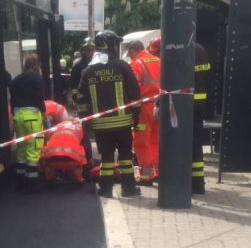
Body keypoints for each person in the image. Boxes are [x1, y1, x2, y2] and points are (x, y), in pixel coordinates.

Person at [78, 30, 141, 198]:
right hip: (123, 122)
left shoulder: (88, 71)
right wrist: (136, 117)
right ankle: (128, 188)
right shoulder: (122, 66)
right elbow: (135, 95)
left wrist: (86, 124)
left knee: (106, 157)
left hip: (101, 126)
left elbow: (81, 100)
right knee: (126, 156)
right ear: (110, 45)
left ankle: (105, 189)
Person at [9, 54, 46, 193]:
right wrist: (44, 113)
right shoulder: (37, 78)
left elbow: (12, 101)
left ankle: (19, 181)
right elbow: (39, 98)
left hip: (18, 116)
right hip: (32, 116)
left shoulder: (16, 80)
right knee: (33, 149)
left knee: (21, 149)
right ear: (37, 65)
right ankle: (32, 182)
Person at [127, 40, 161, 183]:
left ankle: (147, 175)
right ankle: (157, 171)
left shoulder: (136, 64)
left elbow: (133, 89)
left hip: (144, 108)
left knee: (140, 141)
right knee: (155, 139)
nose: (130, 57)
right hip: (160, 106)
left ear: (133, 50)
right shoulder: (158, 60)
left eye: (130, 54)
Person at [40, 119, 87, 185]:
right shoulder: (79, 127)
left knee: (45, 152)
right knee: (80, 149)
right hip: (73, 162)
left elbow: (47, 137)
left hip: (51, 161)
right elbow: (85, 143)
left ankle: (50, 178)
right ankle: (78, 179)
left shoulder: (56, 127)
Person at [192, 42, 211, 194]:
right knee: (196, 145)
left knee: (182, 144)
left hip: (184, 104)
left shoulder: (180, 48)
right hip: (200, 103)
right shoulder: (201, 49)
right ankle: (198, 184)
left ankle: (184, 182)